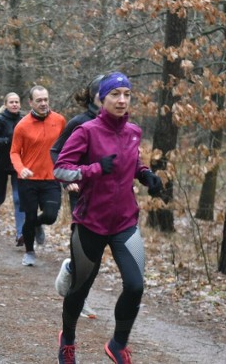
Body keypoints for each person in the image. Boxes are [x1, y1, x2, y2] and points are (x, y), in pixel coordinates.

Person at [53, 72, 162, 364]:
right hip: (91, 222)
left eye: (127, 94)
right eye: (115, 94)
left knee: (136, 285)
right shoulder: (86, 131)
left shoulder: (134, 131)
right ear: (102, 98)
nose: (122, 100)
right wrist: (94, 169)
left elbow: (133, 162)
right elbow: (61, 169)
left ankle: (117, 344)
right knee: (80, 288)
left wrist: (146, 174)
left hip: (125, 221)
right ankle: (68, 340)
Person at [50, 75, 104, 320]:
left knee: (97, 253)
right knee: (84, 249)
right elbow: (56, 151)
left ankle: (71, 270)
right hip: (81, 192)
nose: (116, 98)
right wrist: (68, 180)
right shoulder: (79, 123)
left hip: (111, 198)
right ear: (94, 96)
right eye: (108, 93)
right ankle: (78, 295)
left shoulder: (121, 125)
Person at [9, 85, 65, 267]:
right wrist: (20, 168)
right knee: (29, 217)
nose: (43, 104)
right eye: (39, 100)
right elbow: (14, 152)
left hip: (51, 178)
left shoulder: (60, 120)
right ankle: (30, 252)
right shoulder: (22, 126)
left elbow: (68, 147)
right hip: (28, 180)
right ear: (30, 102)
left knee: (50, 216)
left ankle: (37, 224)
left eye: (45, 100)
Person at [0, 92, 26, 246]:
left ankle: (20, 233)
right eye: (11, 102)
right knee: (0, 198)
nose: (14, 104)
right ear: (6, 104)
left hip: (17, 164)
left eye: (17, 102)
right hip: (1, 164)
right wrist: (6, 140)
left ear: (20, 104)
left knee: (18, 198)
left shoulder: (24, 119)